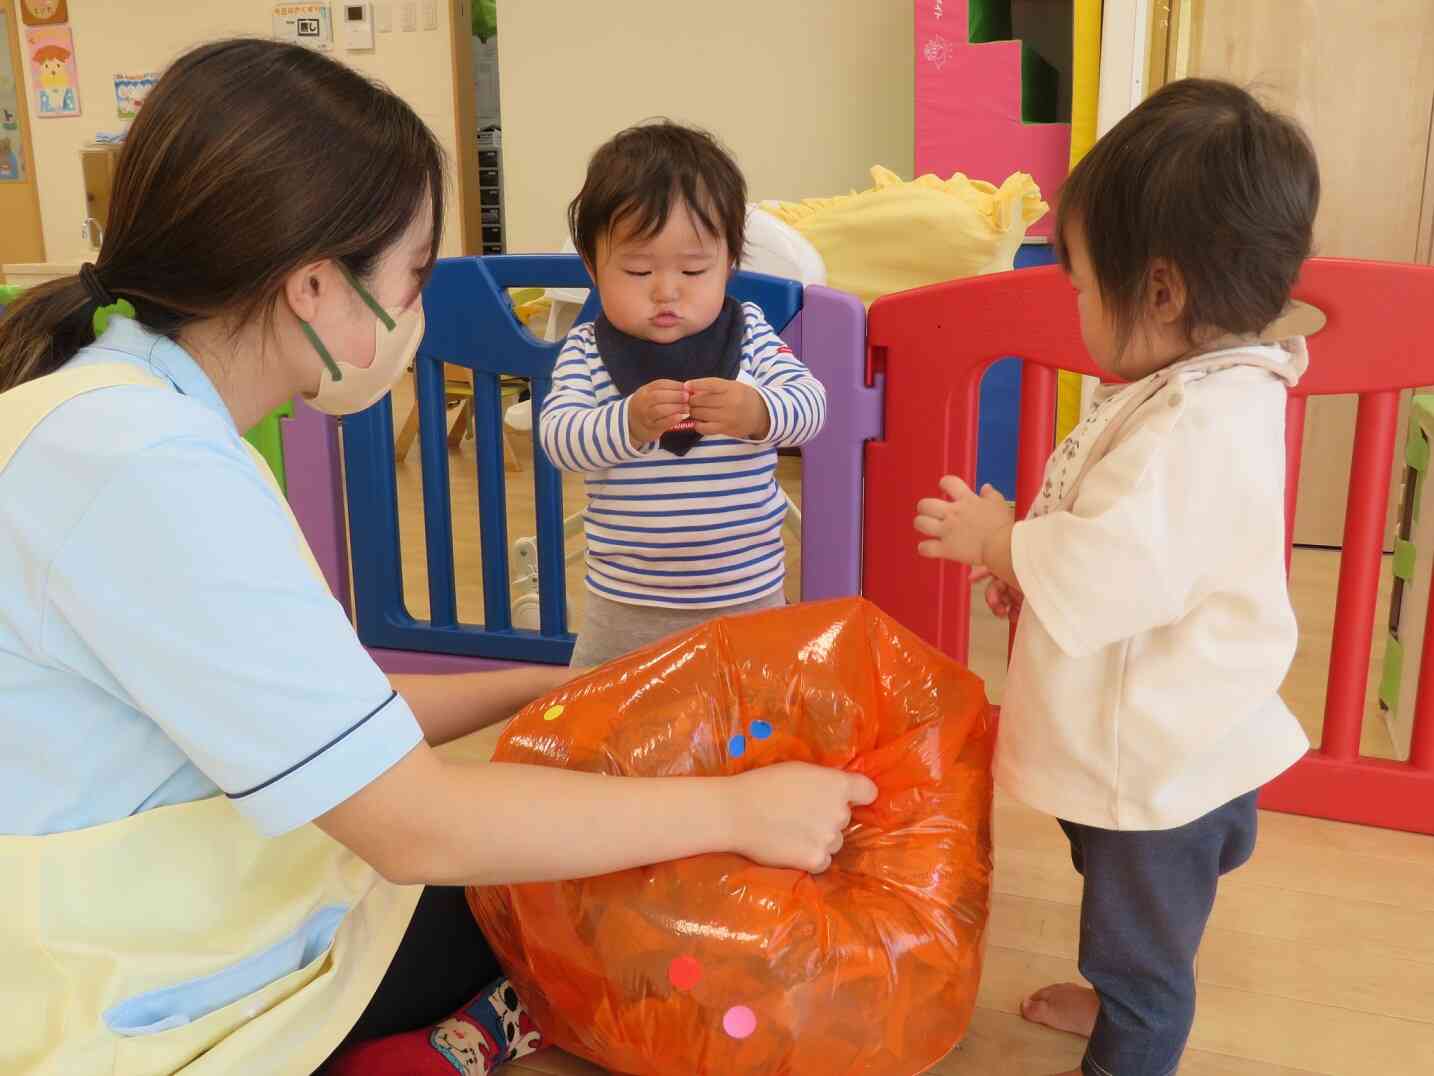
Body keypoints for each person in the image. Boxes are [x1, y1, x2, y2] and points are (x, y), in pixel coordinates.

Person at [0, 40, 875, 1076]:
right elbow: (415, 823)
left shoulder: (117, 415)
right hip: (134, 966)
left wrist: (554, 683)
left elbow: (335, 709)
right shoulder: (149, 470)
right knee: (587, 887)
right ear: (315, 285)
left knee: (582, 857)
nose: (415, 311)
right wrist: (740, 808)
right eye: (412, 276)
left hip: (169, 885)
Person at [913, 79, 1321, 1076]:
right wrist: (1037, 567)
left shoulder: (1199, 422)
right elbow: (1132, 543)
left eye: (1083, 287)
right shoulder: (1197, 383)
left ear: (1165, 292)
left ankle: (1132, 1030)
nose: (1076, 306)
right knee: (1119, 884)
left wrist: (1003, 539)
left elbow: (1119, 563)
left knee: (1139, 938)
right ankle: (1123, 982)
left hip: (1157, 758)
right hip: (1161, 730)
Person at [538, 122, 827, 668]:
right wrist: (626, 422)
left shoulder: (751, 335)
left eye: (694, 269)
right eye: (637, 269)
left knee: (749, 727)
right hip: (625, 604)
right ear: (591, 267)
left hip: (745, 595)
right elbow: (559, 439)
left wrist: (758, 410)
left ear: (729, 262)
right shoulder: (586, 349)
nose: (666, 290)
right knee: (608, 725)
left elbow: (811, 404)